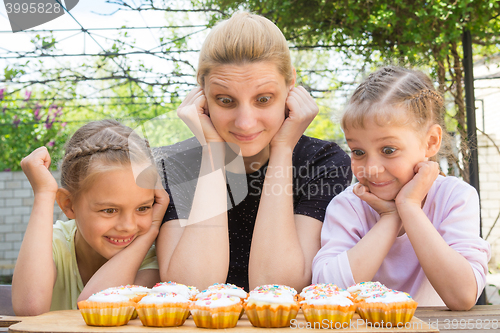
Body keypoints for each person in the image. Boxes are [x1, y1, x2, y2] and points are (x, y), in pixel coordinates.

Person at [155, 12, 352, 292]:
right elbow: (189, 289)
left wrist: (283, 149)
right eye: (225, 101)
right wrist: (212, 152)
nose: (245, 122)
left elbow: (279, 287)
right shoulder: (174, 164)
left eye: (263, 99)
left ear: (290, 84)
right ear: (202, 94)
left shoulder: (323, 162)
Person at [312, 66, 491, 310]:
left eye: (388, 150)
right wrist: (390, 217)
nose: (372, 168)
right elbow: (329, 292)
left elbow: (462, 296)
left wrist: (409, 207)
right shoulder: (348, 206)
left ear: (430, 142)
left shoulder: (455, 197)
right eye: (358, 152)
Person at [12, 119, 169, 315]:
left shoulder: (153, 258)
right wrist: (44, 194)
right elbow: (29, 307)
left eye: (143, 208)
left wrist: (151, 230)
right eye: (110, 210)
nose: (128, 226)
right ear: (68, 205)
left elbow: (96, 305)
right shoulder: (53, 244)